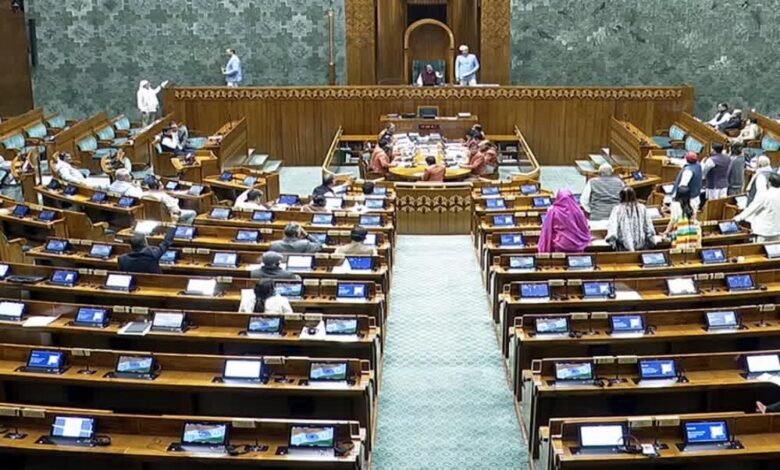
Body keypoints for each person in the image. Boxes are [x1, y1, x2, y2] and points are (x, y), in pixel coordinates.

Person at [538, 189, 591, 253]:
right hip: (578, 246)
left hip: (560, 245)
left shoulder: (553, 211)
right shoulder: (578, 211)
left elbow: (547, 230)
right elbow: (585, 228)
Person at [605, 187, 657, 251]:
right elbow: (649, 227)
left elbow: (613, 227)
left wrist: (612, 241)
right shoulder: (642, 208)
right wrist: (652, 241)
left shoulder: (617, 209)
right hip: (641, 247)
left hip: (623, 249)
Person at [734, 172, 780, 242]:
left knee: (759, 247)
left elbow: (752, 208)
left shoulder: (765, 195)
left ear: (769, 183)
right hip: (777, 231)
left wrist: (738, 218)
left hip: (763, 231)